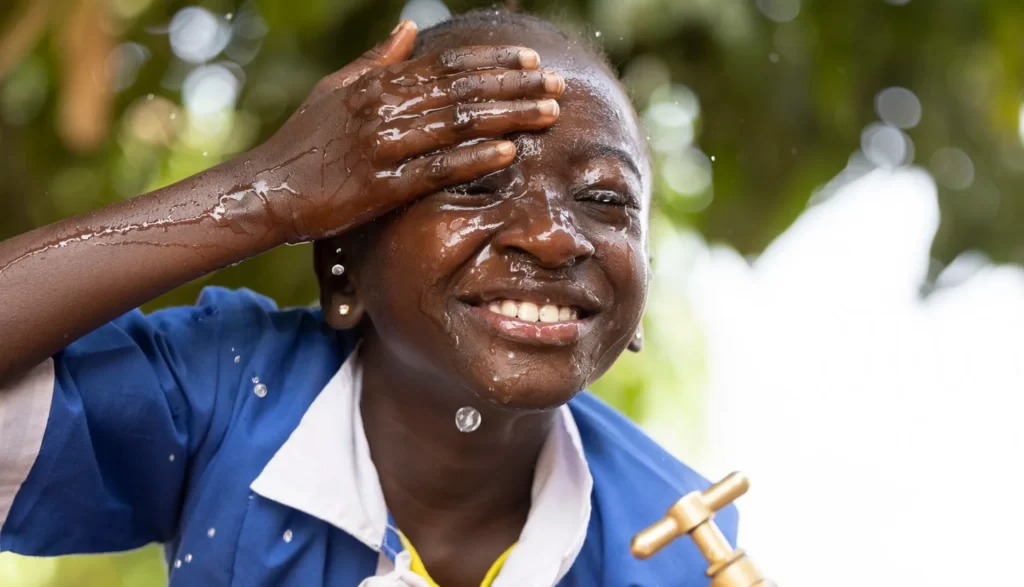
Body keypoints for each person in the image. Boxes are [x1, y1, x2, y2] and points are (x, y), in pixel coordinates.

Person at [0, 9, 737, 587]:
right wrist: (261, 193)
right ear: (344, 272)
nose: (550, 236)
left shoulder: (677, 542)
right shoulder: (229, 396)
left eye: (605, 197)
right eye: (474, 184)